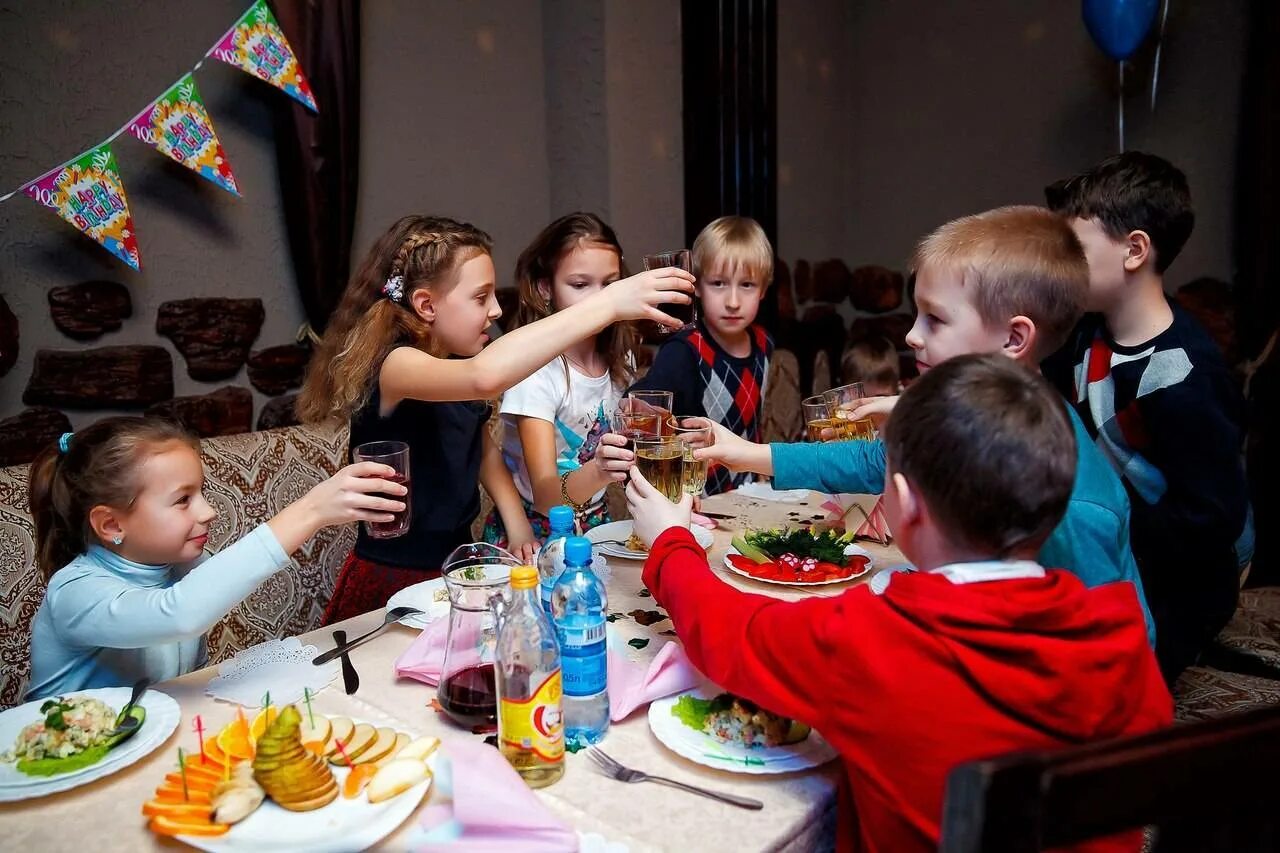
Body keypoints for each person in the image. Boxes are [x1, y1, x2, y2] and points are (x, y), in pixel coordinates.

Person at [627, 353, 1172, 853]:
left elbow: (735, 632)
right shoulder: (1121, 635)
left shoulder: (877, 640)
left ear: (905, 505)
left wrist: (669, 543)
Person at [697, 206, 1155, 644]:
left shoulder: (1072, 502)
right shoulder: (964, 416)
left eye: (935, 319)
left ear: (1014, 339)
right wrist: (746, 452)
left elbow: (1104, 656)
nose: (912, 335)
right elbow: (873, 458)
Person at [297, 214, 693, 623]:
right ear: (426, 305)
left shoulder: (453, 357)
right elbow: (485, 378)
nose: (496, 309)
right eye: (480, 297)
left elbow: (481, 449)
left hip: (454, 566)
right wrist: (608, 304)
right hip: (392, 576)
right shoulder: (395, 365)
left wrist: (515, 519)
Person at [1043, 152, 1252, 681]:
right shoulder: (1083, 336)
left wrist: (1097, 527)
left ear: (1135, 250)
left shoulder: (1187, 377)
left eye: (1075, 249)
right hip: (1106, 560)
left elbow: (1210, 522)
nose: (1060, 264)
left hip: (1177, 587)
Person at [25, 418, 403, 700]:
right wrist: (310, 510)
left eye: (201, 492)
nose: (208, 512)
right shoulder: (73, 592)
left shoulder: (182, 565)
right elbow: (179, 614)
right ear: (110, 524)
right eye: (182, 499)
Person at [483, 213, 638, 545]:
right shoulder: (535, 370)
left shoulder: (621, 356)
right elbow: (545, 496)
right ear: (545, 288)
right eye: (580, 285)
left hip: (597, 523)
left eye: (610, 285)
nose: (601, 300)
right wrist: (599, 471)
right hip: (535, 533)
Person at [626, 215, 774, 494]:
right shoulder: (685, 350)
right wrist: (638, 406)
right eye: (718, 283)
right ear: (697, 288)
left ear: (763, 289)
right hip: (694, 497)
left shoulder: (764, 342)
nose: (732, 301)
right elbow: (648, 398)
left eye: (747, 285)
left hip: (748, 492)